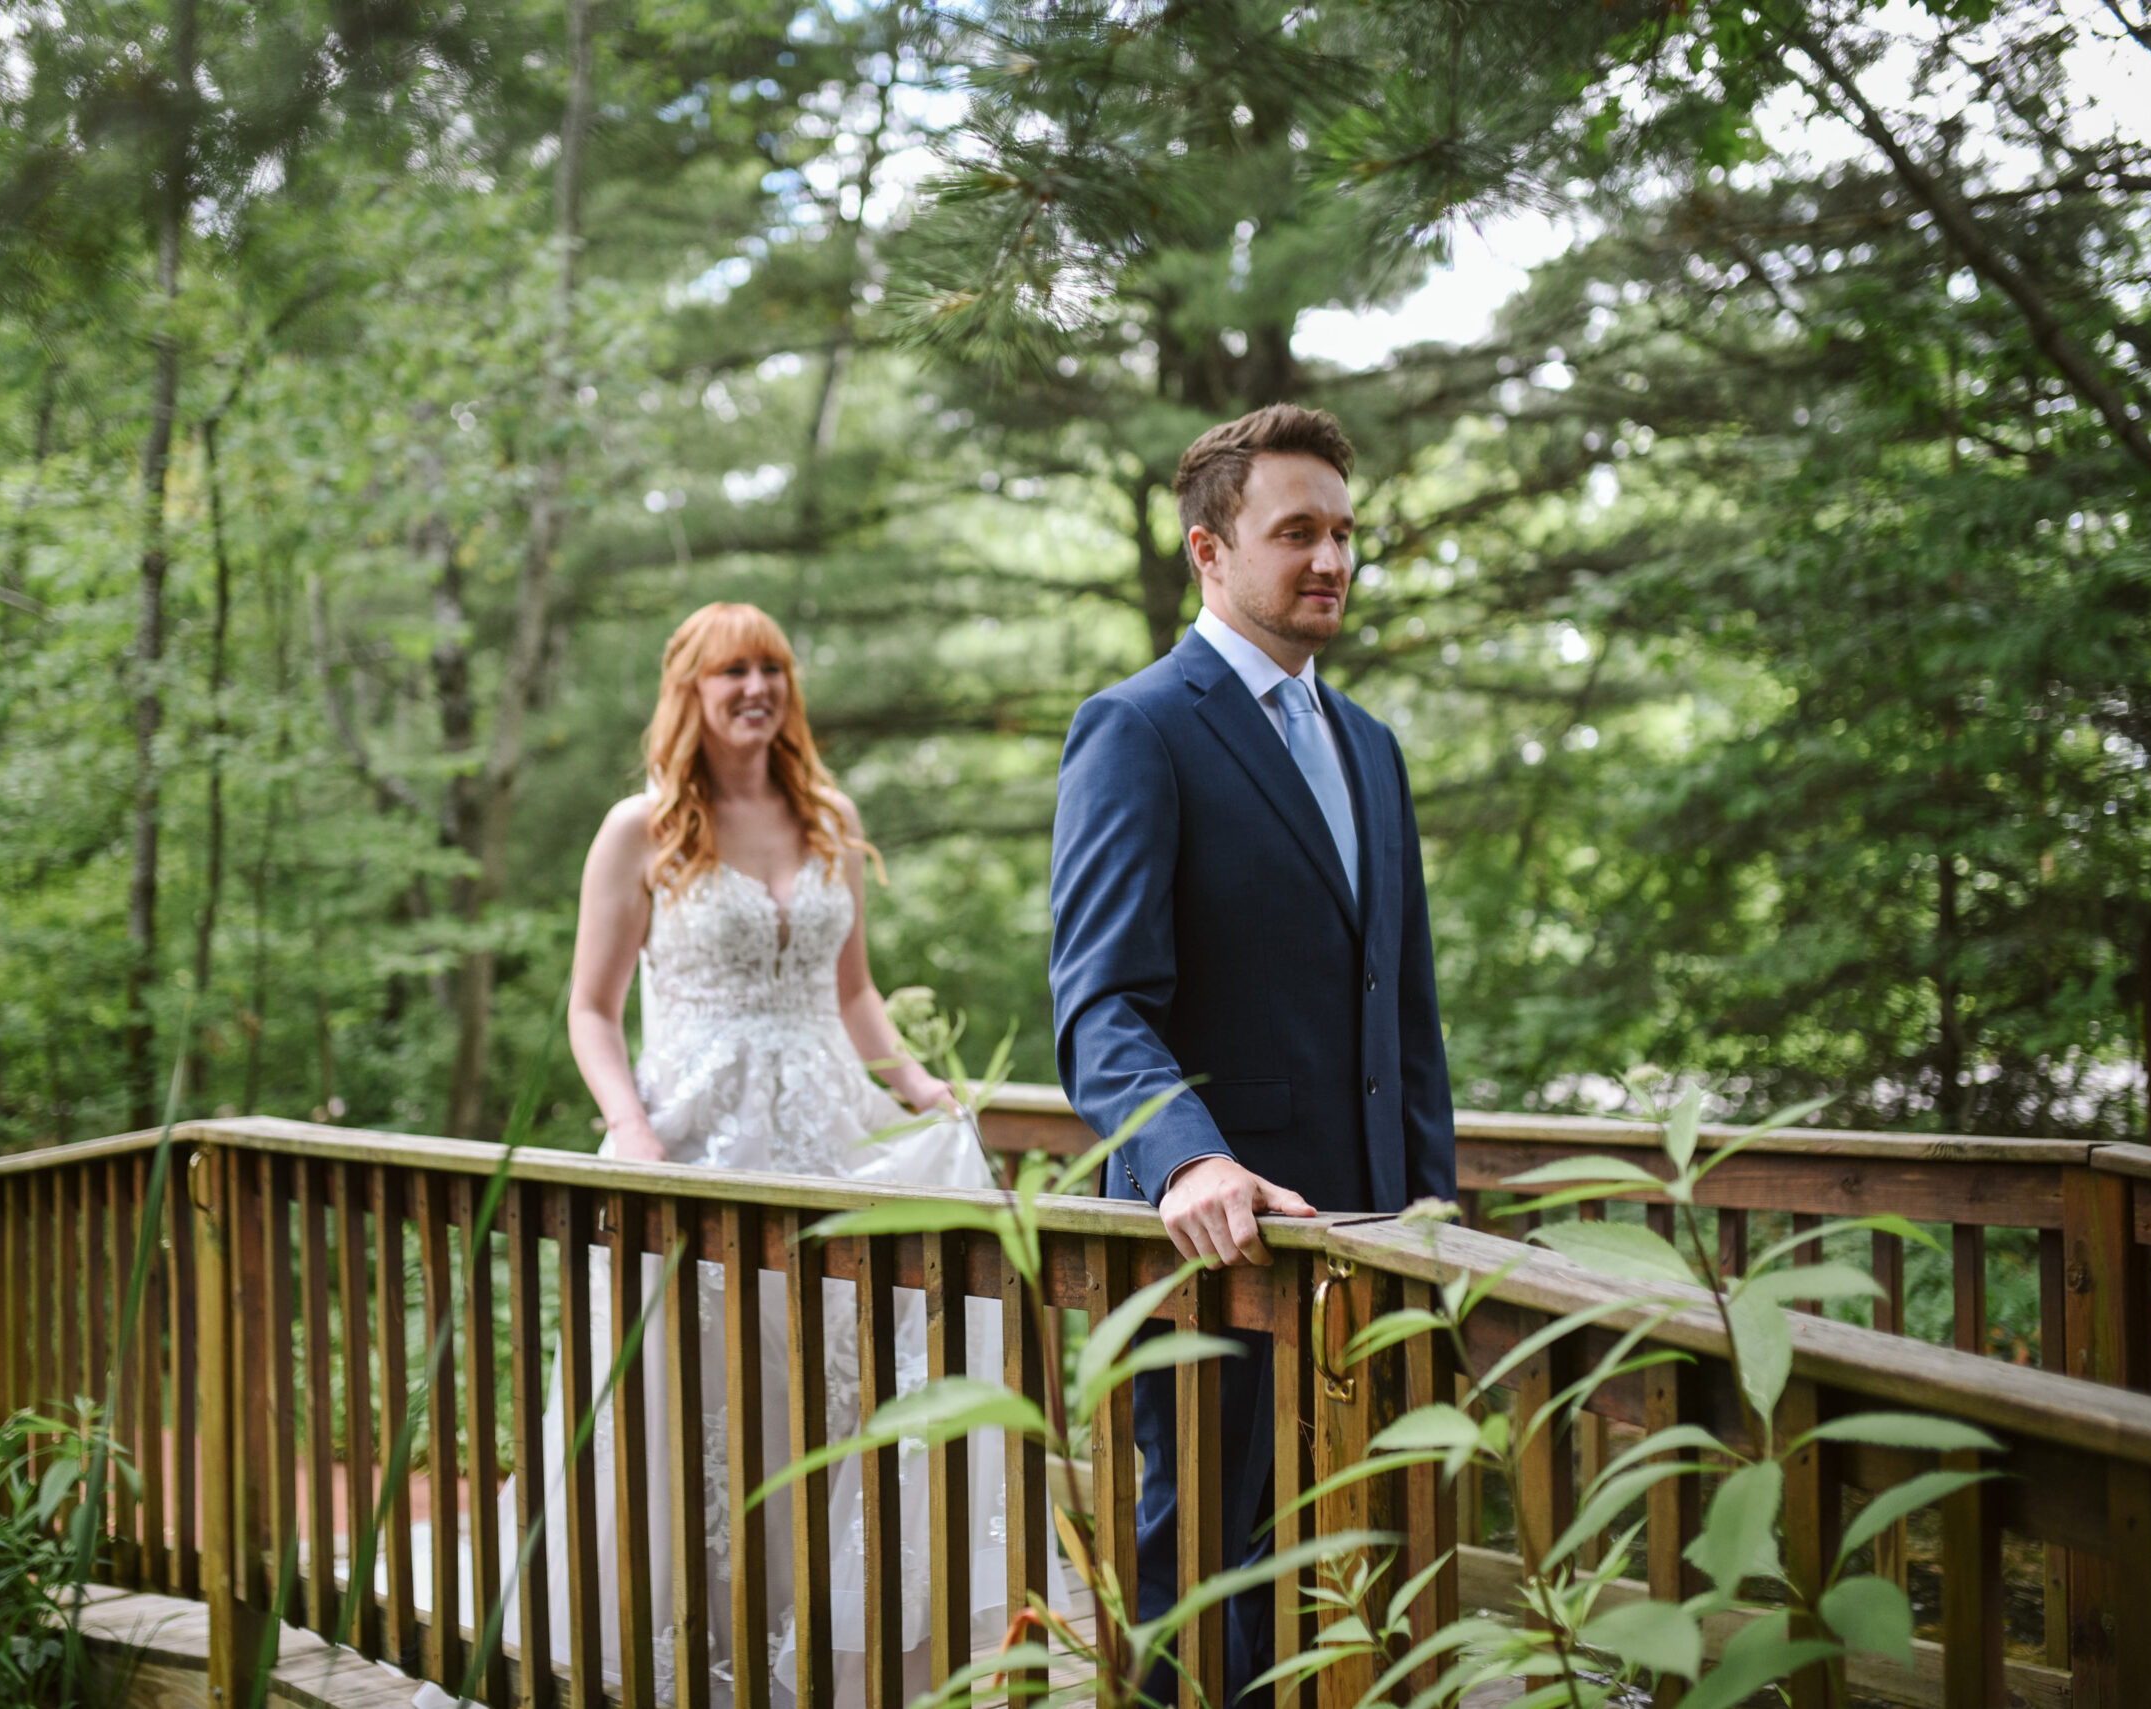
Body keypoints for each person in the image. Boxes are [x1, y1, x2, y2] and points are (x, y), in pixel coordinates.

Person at [526, 601, 1014, 1709]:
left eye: (773, 669)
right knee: (695, 1404)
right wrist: (634, 1134)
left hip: (830, 1148)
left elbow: (853, 995)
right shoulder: (638, 828)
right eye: (732, 671)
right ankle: (678, 1654)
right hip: (692, 1147)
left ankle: (801, 1648)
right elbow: (591, 1011)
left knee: (826, 1397)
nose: (757, 688)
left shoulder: (826, 813)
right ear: (689, 690)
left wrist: (922, 1088)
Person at [1047, 404, 1459, 1707]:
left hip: (1376, 1247)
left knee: (1365, 1571)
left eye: (1344, 533)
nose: (1331, 558)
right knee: (1207, 1581)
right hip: (1213, 1253)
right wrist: (1185, 1162)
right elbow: (1100, 1005)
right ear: (1210, 551)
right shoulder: (1139, 727)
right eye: (1299, 532)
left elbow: (1409, 1027)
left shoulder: (1373, 750)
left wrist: (1439, 1218)